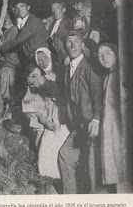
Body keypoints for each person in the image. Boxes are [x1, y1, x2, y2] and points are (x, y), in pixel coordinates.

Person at [31, 30, 103, 194]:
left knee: (90, 164)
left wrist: (96, 120)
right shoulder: (66, 69)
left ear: (82, 44)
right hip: (78, 126)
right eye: (69, 43)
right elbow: (59, 90)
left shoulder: (89, 67)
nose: (72, 45)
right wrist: (42, 82)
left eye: (76, 42)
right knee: (65, 155)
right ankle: (70, 197)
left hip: (91, 124)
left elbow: (98, 96)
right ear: (65, 46)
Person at [0, 0, 49, 130]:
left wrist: (1, 48)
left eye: (22, 6)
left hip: (40, 61)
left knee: (39, 93)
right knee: (29, 93)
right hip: (29, 63)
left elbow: (20, 40)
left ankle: (39, 126)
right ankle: (29, 125)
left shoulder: (34, 21)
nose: (19, 10)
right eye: (16, 8)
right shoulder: (21, 23)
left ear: (28, 7)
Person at [28, 48, 69, 181]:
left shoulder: (62, 72)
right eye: (39, 60)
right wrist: (45, 120)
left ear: (50, 56)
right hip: (48, 117)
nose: (42, 62)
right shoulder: (36, 77)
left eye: (45, 57)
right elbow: (36, 104)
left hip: (64, 114)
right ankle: (48, 179)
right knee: (44, 145)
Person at [97, 43, 132, 193]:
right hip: (110, 128)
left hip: (121, 130)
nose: (104, 57)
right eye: (100, 55)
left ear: (117, 53)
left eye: (108, 53)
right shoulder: (108, 76)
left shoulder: (122, 75)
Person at [0, 14, 21, 111]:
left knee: (8, 93)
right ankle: (7, 115)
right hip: (6, 64)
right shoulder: (7, 31)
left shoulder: (13, 30)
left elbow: (5, 47)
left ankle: (9, 115)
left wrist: (0, 44)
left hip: (10, 64)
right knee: (6, 93)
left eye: (7, 18)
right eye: (3, 18)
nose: (5, 21)